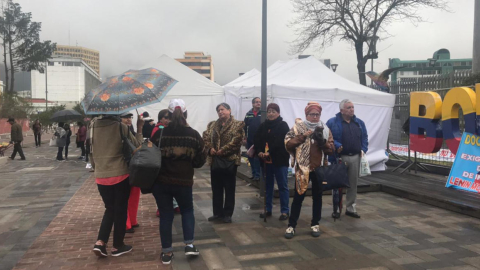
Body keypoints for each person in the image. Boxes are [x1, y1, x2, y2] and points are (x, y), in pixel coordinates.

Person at [150, 99, 206, 265]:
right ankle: (189, 245)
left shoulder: (160, 134)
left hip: (161, 182)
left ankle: (167, 253)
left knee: (166, 215)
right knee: (187, 211)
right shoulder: (193, 134)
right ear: (185, 113)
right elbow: (200, 161)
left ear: (168, 114)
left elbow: (151, 157)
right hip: (184, 182)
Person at [91, 114, 144, 257]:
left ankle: (100, 243)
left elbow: (90, 150)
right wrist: (139, 128)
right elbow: (138, 146)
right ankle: (117, 245)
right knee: (120, 210)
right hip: (120, 174)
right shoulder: (121, 127)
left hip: (101, 175)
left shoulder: (92, 126)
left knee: (110, 209)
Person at [284, 102, 334, 239]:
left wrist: (322, 142)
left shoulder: (325, 128)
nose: (315, 117)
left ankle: (315, 224)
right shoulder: (298, 127)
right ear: (306, 115)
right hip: (302, 168)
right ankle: (291, 226)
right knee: (298, 197)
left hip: (318, 168)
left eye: (317, 114)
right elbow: (288, 143)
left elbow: (331, 149)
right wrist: (303, 136)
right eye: (312, 114)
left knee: (318, 197)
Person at [203, 102, 245, 224]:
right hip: (215, 160)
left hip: (229, 160)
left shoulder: (238, 124)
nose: (220, 112)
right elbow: (205, 137)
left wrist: (223, 150)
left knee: (229, 188)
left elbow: (237, 140)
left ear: (229, 110)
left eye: (222, 109)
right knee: (216, 188)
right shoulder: (212, 125)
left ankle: (227, 214)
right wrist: (210, 148)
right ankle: (217, 213)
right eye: (218, 110)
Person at [326, 99, 368, 219]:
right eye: (349, 107)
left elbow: (365, 138)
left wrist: (363, 149)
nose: (352, 109)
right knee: (338, 185)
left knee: (353, 185)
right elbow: (328, 137)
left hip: (355, 157)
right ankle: (337, 209)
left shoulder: (359, 123)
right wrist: (337, 145)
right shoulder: (332, 122)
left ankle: (351, 208)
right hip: (339, 157)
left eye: (353, 107)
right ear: (342, 110)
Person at [253, 103, 290, 220]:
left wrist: (270, 152)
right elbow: (257, 139)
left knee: (282, 186)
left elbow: (281, 142)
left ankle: (285, 211)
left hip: (279, 160)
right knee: (268, 186)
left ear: (278, 113)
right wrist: (259, 151)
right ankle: (268, 209)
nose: (271, 113)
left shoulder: (283, 125)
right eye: (269, 111)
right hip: (265, 160)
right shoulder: (263, 125)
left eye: (273, 111)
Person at [151, 109, 180, 218]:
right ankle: (161, 207)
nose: (168, 120)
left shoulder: (170, 128)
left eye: (169, 118)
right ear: (160, 118)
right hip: (160, 162)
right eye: (166, 118)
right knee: (162, 187)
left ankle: (175, 205)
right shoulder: (158, 129)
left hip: (169, 162)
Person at [119, 112, 141, 234]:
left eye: (130, 117)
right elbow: (138, 145)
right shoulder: (119, 131)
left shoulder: (129, 130)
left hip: (133, 167)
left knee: (134, 195)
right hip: (124, 167)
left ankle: (132, 220)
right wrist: (140, 129)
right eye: (125, 117)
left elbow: (138, 145)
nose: (128, 119)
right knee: (124, 197)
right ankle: (126, 223)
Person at [244, 97, 262, 181]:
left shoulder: (263, 113)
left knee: (257, 157)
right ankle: (254, 173)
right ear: (253, 104)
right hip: (250, 139)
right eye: (256, 102)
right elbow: (244, 126)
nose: (258, 103)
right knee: (250, 156)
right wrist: (244, 137)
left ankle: (258, 175)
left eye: (259, 102)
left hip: (260, 140)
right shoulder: (248, 113)